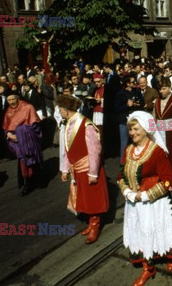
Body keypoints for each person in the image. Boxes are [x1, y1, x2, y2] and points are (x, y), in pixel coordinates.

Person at [118, 111, 172, 286]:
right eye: (130, 130)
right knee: (141, 232)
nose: (132, 133)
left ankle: (168, 256)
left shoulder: (156, 151)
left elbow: (168, 180)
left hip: (154, 202)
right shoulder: (128, 150)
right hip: (134, 201)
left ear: (145, 129)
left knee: (161, 229)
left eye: (136, 129)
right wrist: (127, 191)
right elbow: (121, 174)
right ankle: (148, 267)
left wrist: (144, 195)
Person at [58, 94, 109, 244]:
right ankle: (90, 222)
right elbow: (68, 149)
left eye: (60, 109)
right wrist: (65, 169)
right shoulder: (69, 124)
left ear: (67, 110)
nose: (59, 112)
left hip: (87, 168)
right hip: (77, 169)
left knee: (92, 198)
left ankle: (95, 226)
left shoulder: (86, 125)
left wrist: (93, 173)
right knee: (84, 198)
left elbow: (94, 151)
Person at [3, 91, 43, 196]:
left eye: (13, 99)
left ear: (18, 98)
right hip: (16, 142)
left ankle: (37, 182)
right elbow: (6, 127)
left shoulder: (28, 107)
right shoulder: (8, 110)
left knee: (32, 160)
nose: (11, 102)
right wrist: (9, 135)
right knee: (22, 162)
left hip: (28, 141)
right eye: (9, 100)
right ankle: (26, 184)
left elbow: (35, 126)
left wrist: (20, 135)